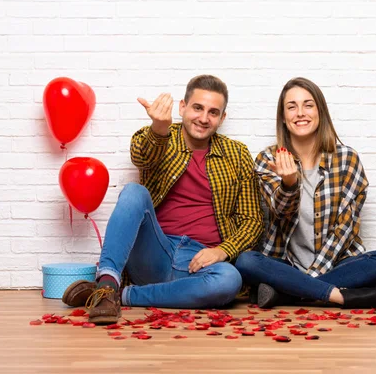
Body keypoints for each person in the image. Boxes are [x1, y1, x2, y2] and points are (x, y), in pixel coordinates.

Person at [61, 75, 263, 324]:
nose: (203, 118)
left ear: (222, 118)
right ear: (182, 107)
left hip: (200, 261)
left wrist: (223, 251)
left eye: (213, 112)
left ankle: (116, 295)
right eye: (197, 108)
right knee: (134, 192)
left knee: (229, 280)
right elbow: (141, 156)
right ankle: (107, 282)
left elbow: (252, 220)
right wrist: (158, 128)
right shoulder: (160, 135)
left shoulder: (237, 154)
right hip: (155, 251)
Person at [235, 77, 376, 309]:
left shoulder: (347, 159)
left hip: (337, 264)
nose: (300, 113)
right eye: (292, 107)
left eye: (308, 105)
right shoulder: (268, 159)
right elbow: (281, 212)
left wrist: (311, 278)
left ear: (320, 111)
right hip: (285, 264)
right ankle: (340, 297)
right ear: (283, 117)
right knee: (246, 261)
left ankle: (288, 294)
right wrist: (289, 183)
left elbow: (346, 228)